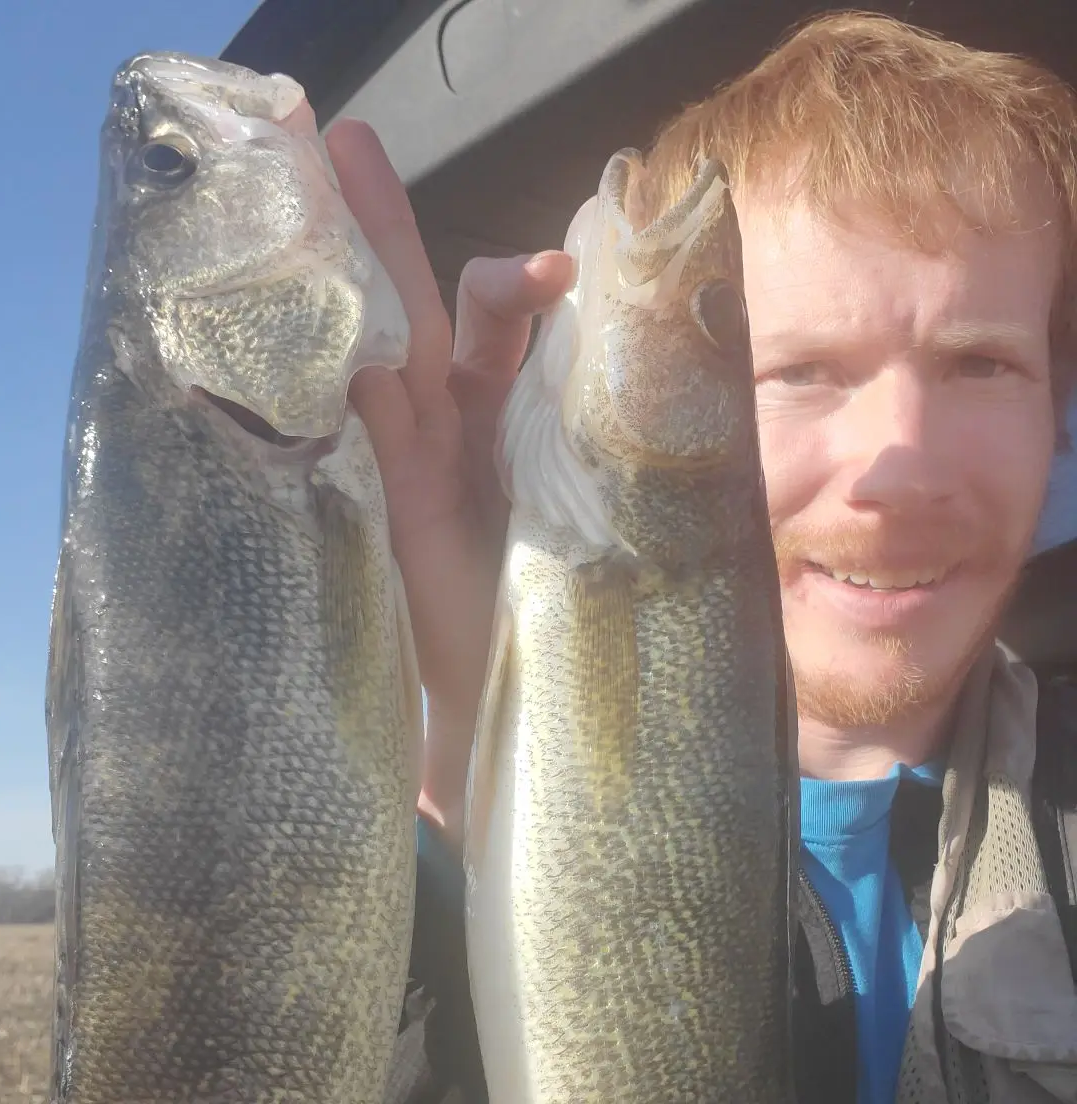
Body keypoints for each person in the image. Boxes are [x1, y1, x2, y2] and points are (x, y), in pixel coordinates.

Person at [322, 11, 1077, 1104]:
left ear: (1057, 404)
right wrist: (461, 761)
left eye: (981, 363)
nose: (898, 468)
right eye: (795, 366)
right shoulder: (375, 871)